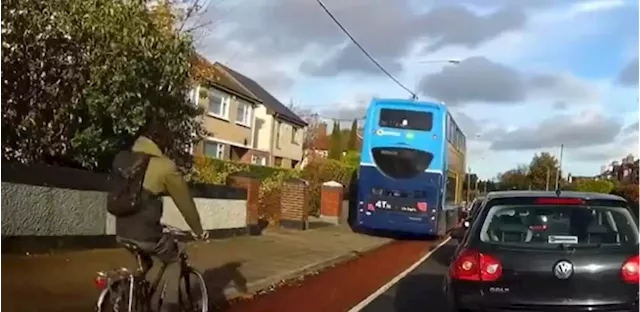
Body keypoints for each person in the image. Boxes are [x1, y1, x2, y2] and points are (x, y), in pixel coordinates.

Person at [114, 122, 207, 312]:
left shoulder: (124, 159)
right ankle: (169, 306)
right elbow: (185, 203)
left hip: (121, 231)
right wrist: (198, 231)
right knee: (175, 256)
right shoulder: (165, 166)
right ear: (162, 145)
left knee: (149, 263)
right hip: (146, 234)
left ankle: (138, 298)